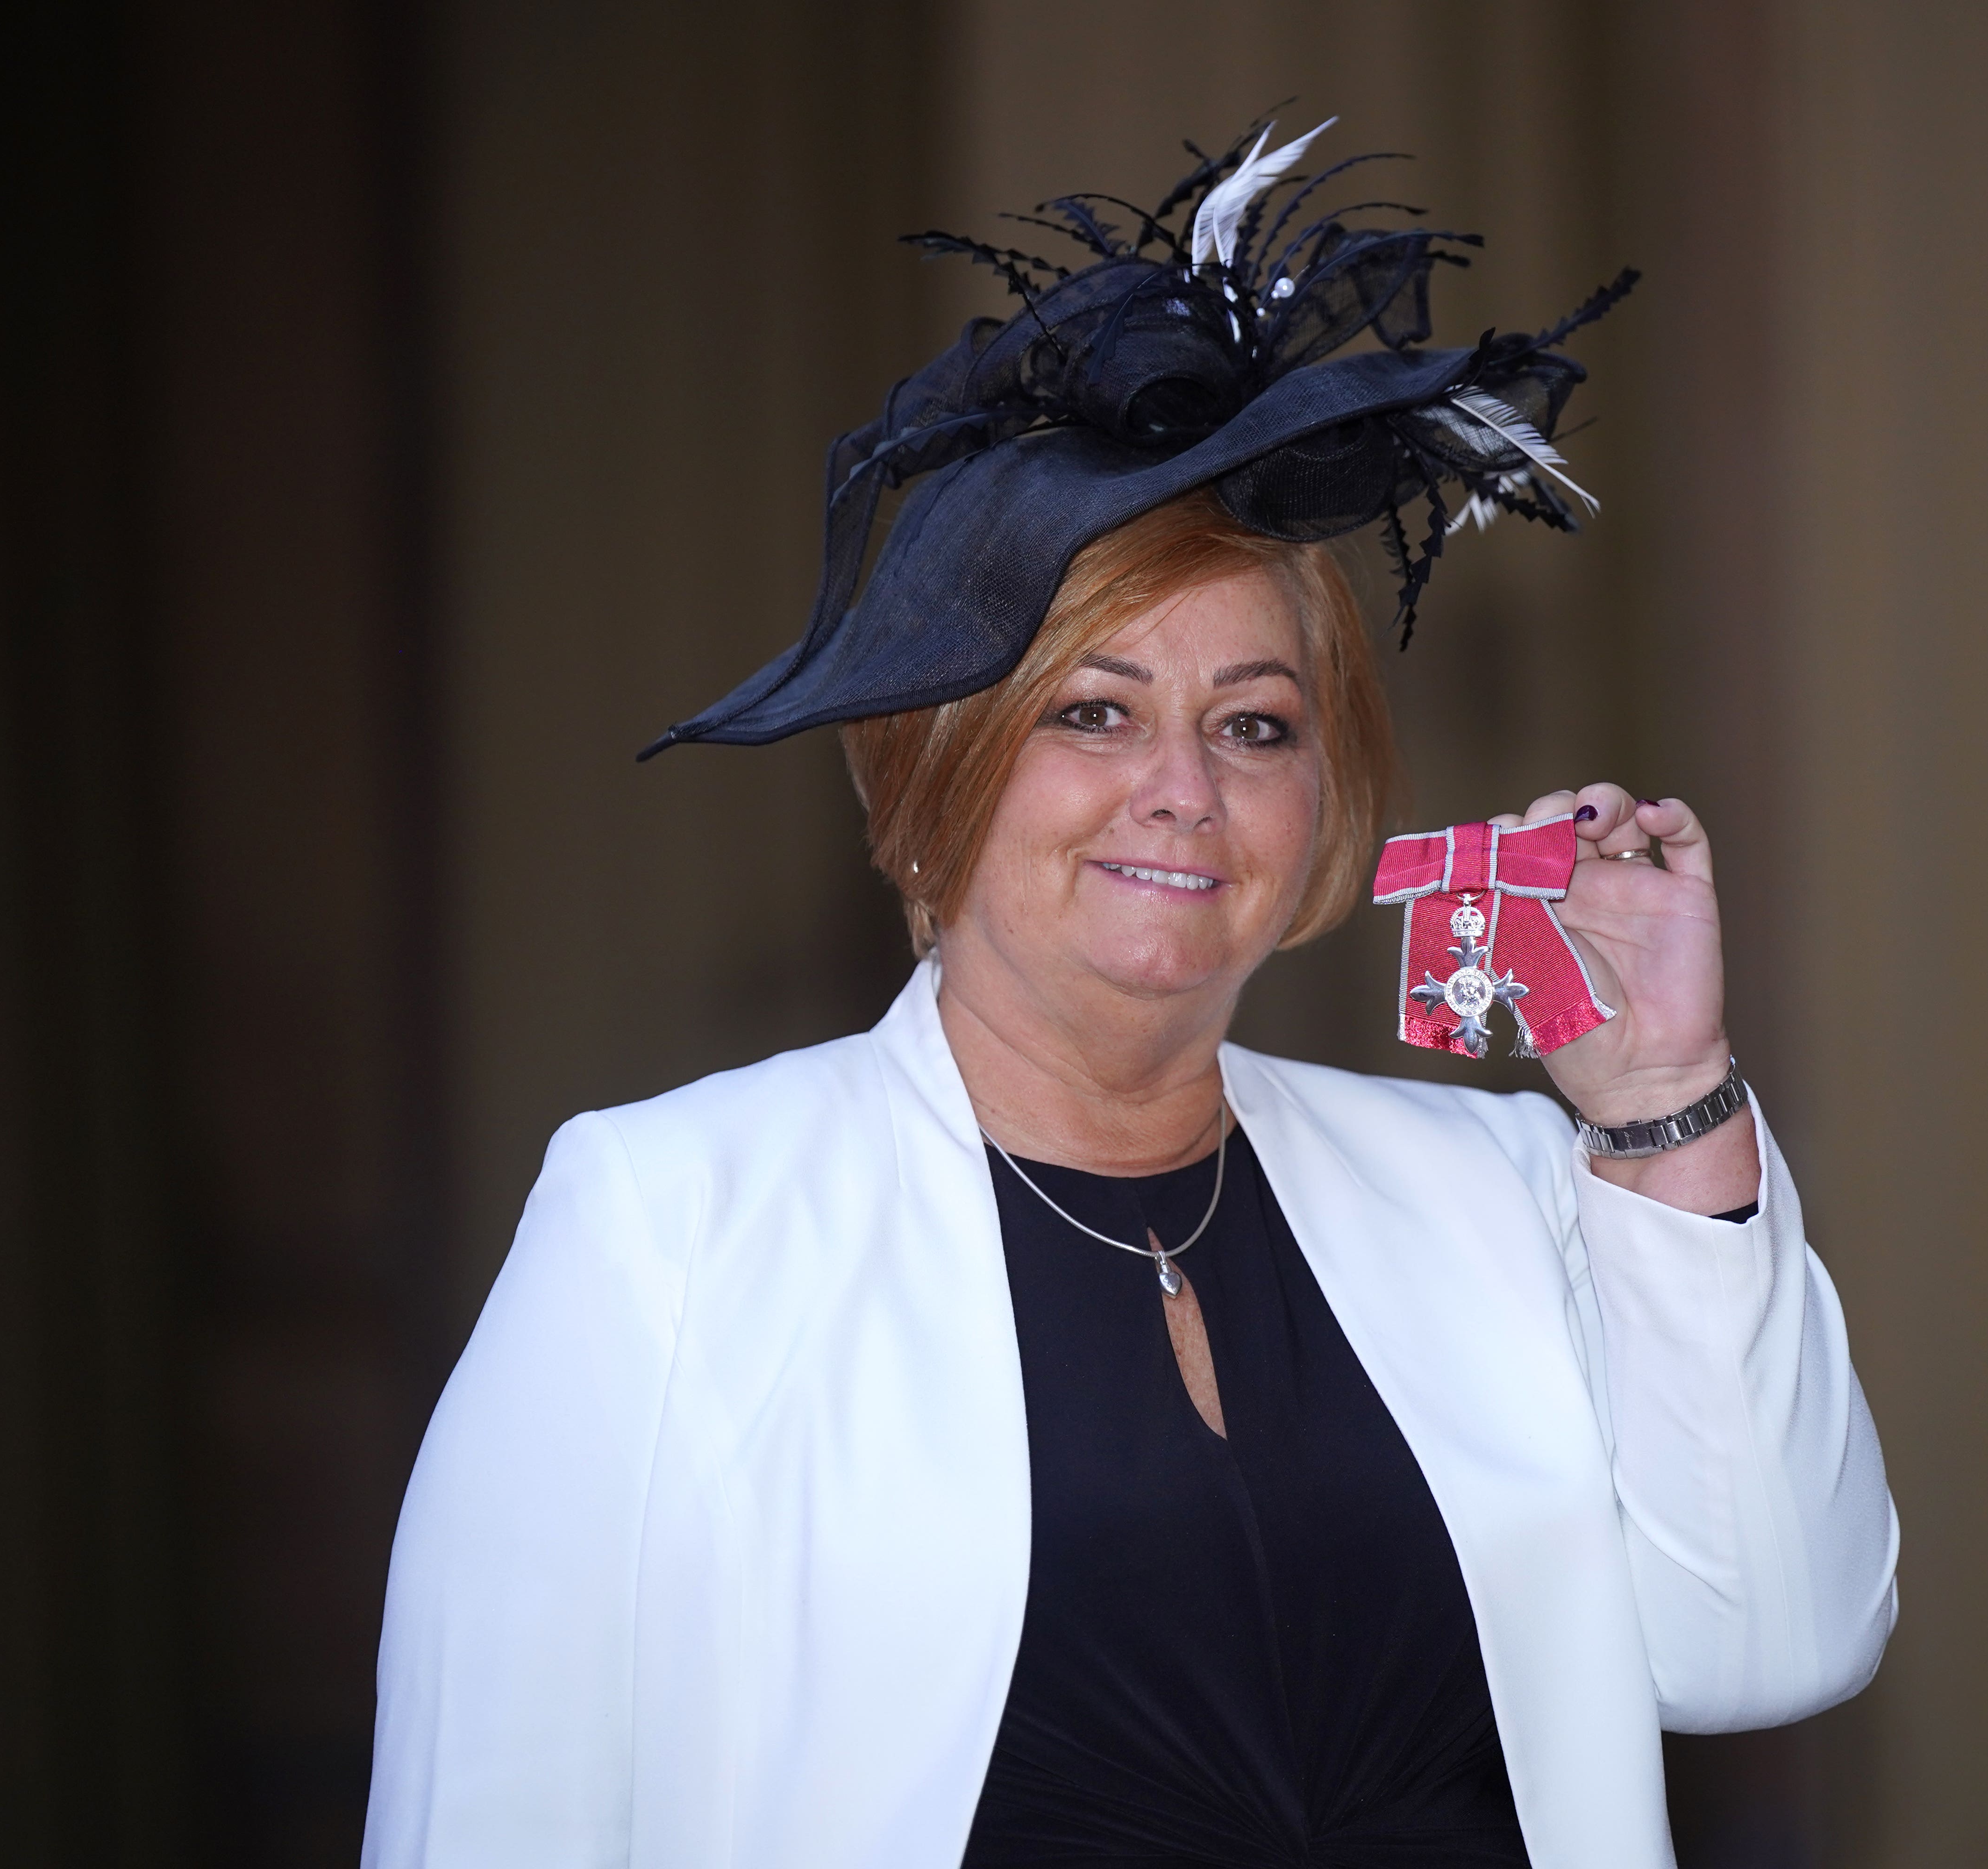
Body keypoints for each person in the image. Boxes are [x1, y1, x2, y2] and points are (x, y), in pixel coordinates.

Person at [364, 122, 1895, 1869]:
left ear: (1319, 809)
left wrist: (1667, 1102)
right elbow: (488, 1823)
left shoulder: (1507, 1190)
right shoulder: (670, 1226)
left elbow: (1776, 1643)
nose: (1185, 787)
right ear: (939, 777)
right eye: (1092, 711)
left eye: (1255, 726)